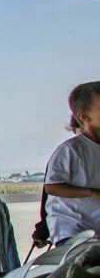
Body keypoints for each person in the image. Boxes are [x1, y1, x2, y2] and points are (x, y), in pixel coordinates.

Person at [43, 81, 100, 246]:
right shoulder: (71, 150)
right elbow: (51, 187)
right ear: (84, 116)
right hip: (72, 230)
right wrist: (91, 192)